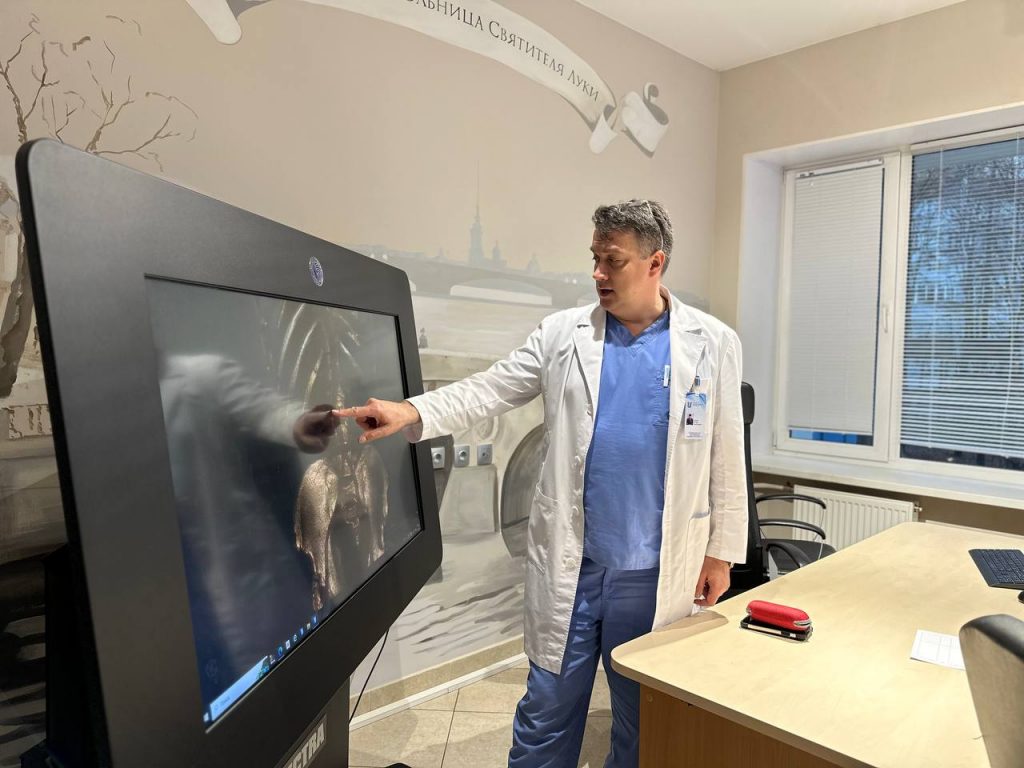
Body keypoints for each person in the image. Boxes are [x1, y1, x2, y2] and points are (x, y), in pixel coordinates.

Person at [335, 200, 747, 768]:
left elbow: (727, 451)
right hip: (574, 565)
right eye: (595, 258)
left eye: (613, 260)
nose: (598, 272)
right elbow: (489, 389)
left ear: (655, 263)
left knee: (644, 716)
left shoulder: (713, 342)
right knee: (548, 708)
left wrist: (721, 551)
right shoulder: (562, 334)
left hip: (657, 569)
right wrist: (412, 411)